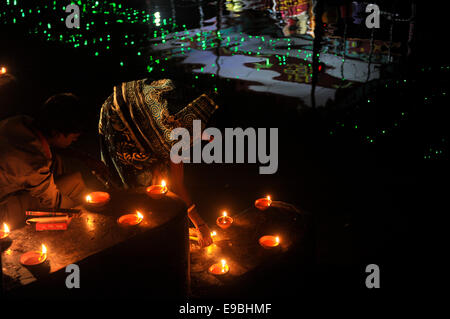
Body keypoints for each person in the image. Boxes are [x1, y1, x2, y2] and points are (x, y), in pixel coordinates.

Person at [99, 78, 219, 247]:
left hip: (125, 104)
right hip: (120, 116)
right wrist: (200, 224)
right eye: (212, 137)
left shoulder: (188, 107)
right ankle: (134, 235)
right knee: (143, 185)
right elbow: (177, 185)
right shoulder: (179, 130)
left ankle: (142, 226)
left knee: (158, 173)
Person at [0, 93, 101, 229]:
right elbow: (55, 202)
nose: (74, 141)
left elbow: (52, 146)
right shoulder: (32, 162)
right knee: (71, 193)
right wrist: (82, 212)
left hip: (9, 190)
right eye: (73, 138)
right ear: (55, 133)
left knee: (61, 168)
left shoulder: (20, 122)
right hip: (2, 213)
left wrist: (85, 158)